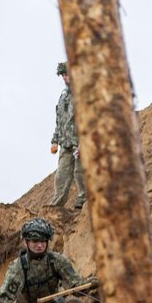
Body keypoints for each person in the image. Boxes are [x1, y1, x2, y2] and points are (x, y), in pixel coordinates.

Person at [50, 62, 86, 210]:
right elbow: (60, 122)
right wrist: (54, 140)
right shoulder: (63, 96)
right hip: (65, 144)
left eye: (68, 74)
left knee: (80, 173)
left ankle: (83, 202)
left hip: (81, 142)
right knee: (61, 176)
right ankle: (56, 206)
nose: (66, 78)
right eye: (64, 75)